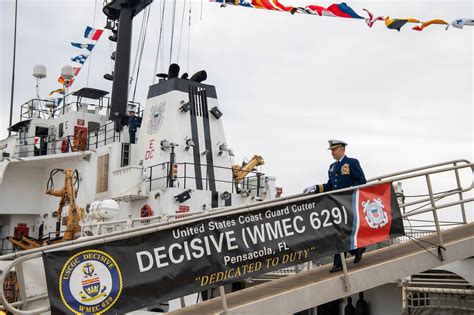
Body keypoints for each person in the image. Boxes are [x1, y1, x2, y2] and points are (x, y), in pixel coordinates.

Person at [304, 139, 367, 273]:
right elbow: (330, 186)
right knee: (339, 233)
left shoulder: (352, 163)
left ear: (342, 149)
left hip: (349, 202)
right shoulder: (332, 167)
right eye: (331, 150)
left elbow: (361, 181)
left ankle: (339, 263)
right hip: (336, 204)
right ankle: (356, 250)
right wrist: (316, 188)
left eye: (334, 149)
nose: (332, 152)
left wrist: (347, 191)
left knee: (340, 233)